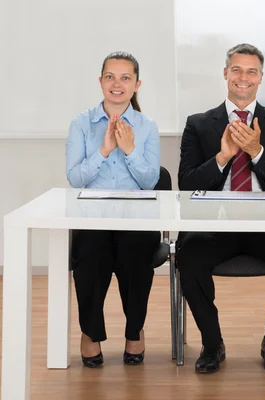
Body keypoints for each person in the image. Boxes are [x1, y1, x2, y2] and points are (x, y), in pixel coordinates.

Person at [176, 43, 265, 374]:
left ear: (261, 78)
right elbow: (186, 182)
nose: (243, 78)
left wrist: (257, 151)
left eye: (251, 71)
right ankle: (212, 343)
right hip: (214, 225)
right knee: (188, 255)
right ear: (225, 73)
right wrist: (222, 157)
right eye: (236, 69)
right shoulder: (198, 123)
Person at [66, 51, 161, 367]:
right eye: (110, 77)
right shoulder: (81, 123)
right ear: (100, 81)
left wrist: (131, 150)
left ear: (137, 84)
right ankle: (90, 333)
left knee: (135, 254)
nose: (117, 84)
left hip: (136, 218)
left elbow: (150, 183)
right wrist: (105, 150)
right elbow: (75, 178)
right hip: (92, 217)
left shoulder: (147, 126)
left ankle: (135, 331)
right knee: (91, 254)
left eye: (125, 78)